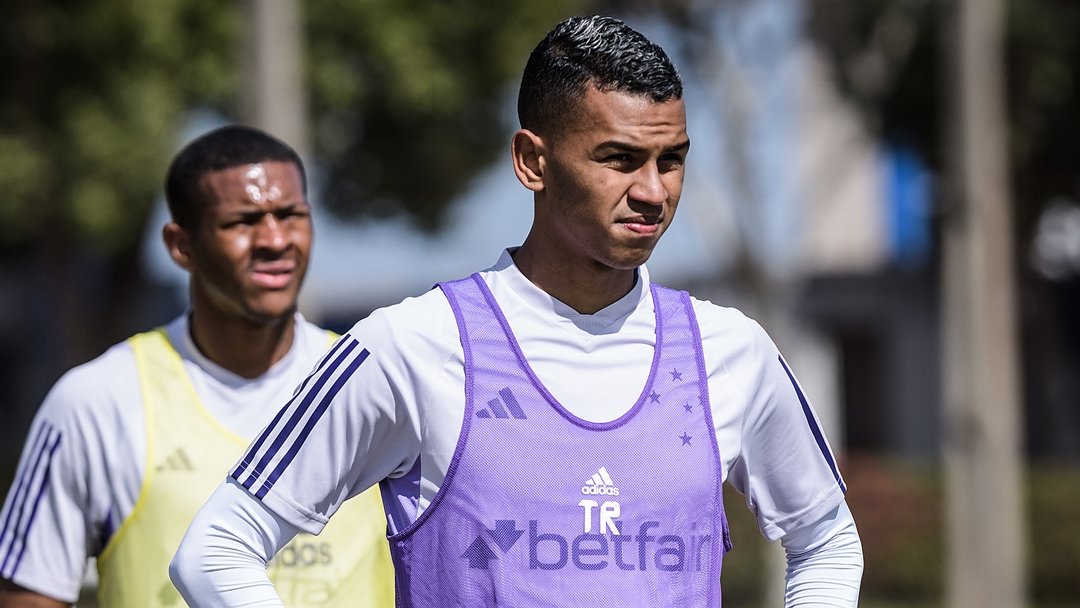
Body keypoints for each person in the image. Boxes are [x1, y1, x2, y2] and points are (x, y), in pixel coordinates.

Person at [172, 16, 863, 607]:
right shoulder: (411, 345)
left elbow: (828, 543)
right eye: (619, 159)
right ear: (532, 161)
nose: (654, 191)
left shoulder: (729, 349)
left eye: (671, 160)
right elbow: (217, 550)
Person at [0, 125, 394, 607]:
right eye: (243, 221)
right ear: (180, 245)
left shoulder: (377, 381)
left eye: (291, 215)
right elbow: (28, 596)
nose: (275, 239)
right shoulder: (97, 399)